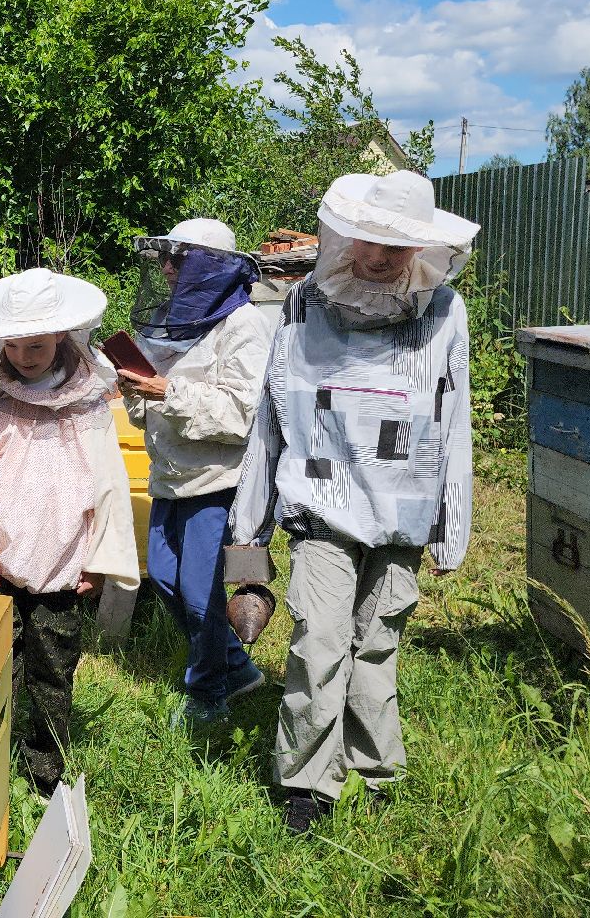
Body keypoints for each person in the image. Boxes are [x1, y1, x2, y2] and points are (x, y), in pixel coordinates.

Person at [230, 170, 478, 835]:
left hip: (402, 510)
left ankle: (375, 774)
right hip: (323, 503)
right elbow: (272, 412)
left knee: (377, 643)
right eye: (368, 239)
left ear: (422, 248)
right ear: (348, 233)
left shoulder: (446, 311)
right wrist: (248, 528)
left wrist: (454, 525)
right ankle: (307, 783)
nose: (377, 256)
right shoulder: (306, 302)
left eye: (394, 246)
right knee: (318, 642)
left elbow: (455, 419)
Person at [0, 268, 142, 797]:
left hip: (64, 560)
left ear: (62, 339)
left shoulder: (89, 400)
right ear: (0, 343)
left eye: (38, 345)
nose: (27, 356)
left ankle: (45, 772)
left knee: (53, 670)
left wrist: (100, 558)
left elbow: (110, 481)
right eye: (17, 345)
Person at [116, 218, 275, 727]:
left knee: (198, 591)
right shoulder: (172, 321)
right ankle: (237, 667)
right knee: (163, 578)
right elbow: (150, 405)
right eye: (165, 259)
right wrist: (135, 389)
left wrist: (169, 392)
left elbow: (243, 414)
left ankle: (207, 695)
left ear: (208, 268)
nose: (166, 269)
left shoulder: (244, 326)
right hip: (170, 473)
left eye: (178, 260)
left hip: (217, 478)